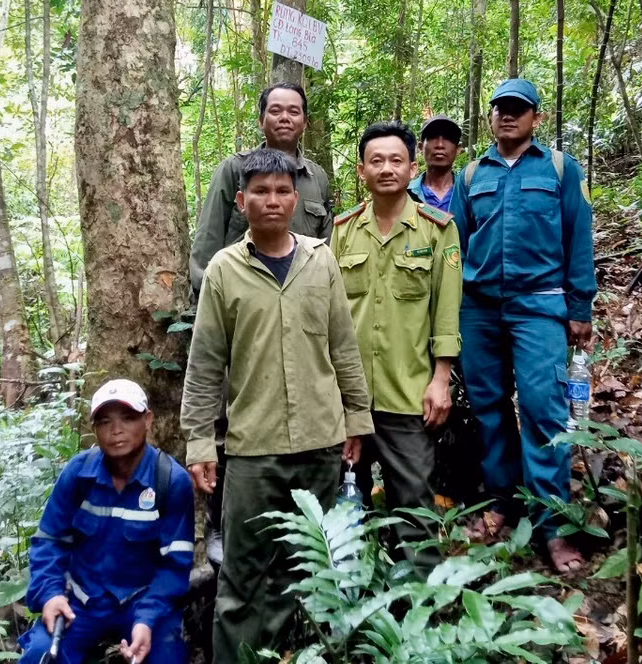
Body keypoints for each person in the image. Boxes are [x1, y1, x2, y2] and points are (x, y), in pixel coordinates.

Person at [180, 148, 373, 662]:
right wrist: (200, 443)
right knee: (243, 573)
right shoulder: (224, 269)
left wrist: (357, 418)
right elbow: (205, 364)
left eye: (282, 191)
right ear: (241, 201)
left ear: (295, 198)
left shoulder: (320, 260)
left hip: (320, 441)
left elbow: (343, 346)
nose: (272, 200)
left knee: (309, 567)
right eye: (260, 191)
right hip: (253, 448)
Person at [448, 79, 597, 574]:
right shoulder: (472, 175)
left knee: (543, 410)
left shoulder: (559, 169)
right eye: (500, 109)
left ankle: (553, 524)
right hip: (479, 309)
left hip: (540, 306)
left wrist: (580, 307)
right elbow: (457, 245)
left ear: (536, 117)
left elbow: (578, 237)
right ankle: (502, 502)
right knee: (488, 409)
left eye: (518, 109)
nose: (507, 116)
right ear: (490, 117)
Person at [188, 82, 333, 567]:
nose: (284, 118)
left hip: (300, 321)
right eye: (275, 110)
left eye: (294, 111)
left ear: (305, 121)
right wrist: (218, 309)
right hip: (243, 318)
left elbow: (323, 246)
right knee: (230, 423)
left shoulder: (316, 178)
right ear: (262, 118)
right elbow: (206, 249)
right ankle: (222, 524)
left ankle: (300, 534)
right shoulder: (233, 169)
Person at [331, 122, 462, 574]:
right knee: (346, 508)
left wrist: (441, 379)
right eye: (376, 161)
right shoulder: (343, 231)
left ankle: (420, 600)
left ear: (412, 167)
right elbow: (329, 315)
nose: (386, 168)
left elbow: (446, 311)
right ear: (361, 171)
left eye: (396, 160)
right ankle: (352, 598)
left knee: (414, 508)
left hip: (408, 394)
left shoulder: (437, 230)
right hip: (347, 398)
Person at [19, 379, 194, 663]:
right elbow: (49, 541)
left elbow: (175, 565)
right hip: (82, 601)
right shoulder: (78, 474)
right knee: (40, 653)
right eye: (104, 422)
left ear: (148, 420)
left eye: (128, 418)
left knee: (165, 655)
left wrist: (147, 618)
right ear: (94, 428)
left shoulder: (170, 481)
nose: (116, 430)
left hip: (143, 601)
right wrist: (50, 594)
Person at [407, 115, 461, 212]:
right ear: (420, 147)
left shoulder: (468, 193)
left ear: (458, 149)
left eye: (448, 138)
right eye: (432, 137)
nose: (440, 145)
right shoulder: (405, 193)